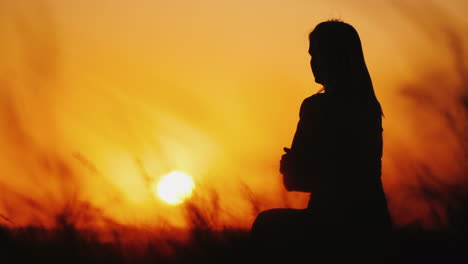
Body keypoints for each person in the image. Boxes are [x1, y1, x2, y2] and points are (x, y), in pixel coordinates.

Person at [250, 20, 393, 260]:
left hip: (332, 227)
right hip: (375, 226)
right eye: (311, 55)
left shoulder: (317, 107)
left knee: (266, 224)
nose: (313, 62)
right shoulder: (370, 107)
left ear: (335, 58)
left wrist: (290, 166)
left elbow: (297, 181)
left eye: (318, 54)